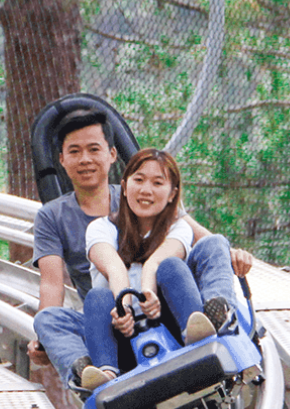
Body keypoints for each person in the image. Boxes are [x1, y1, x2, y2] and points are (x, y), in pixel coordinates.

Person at [25, 109, 252, 391]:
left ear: (111, 155)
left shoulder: (153, 202)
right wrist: (123, 307)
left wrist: (231, 255)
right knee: (54, 316)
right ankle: (89, 371)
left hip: (165, 303)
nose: (85, 159)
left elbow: (193, 239)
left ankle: (214, 318)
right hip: (112, 318)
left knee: (208, 247)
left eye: (93, 149)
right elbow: (56, 282)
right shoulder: (88, 224)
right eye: (75, 151)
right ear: (62, 159)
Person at [76, 148, 237, 389]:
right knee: (97, 296)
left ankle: (200, 330)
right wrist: (124, 309)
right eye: (138, 180)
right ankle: (105, 372)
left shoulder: (178, 228)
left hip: (166, 319)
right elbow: (114, 267)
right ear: (124, 186)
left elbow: (157, 262)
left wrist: (148, 296)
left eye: (157, 183)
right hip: (122, 331)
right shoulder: (101, 228)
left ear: (172, 194)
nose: (146, 190)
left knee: (174, 266)